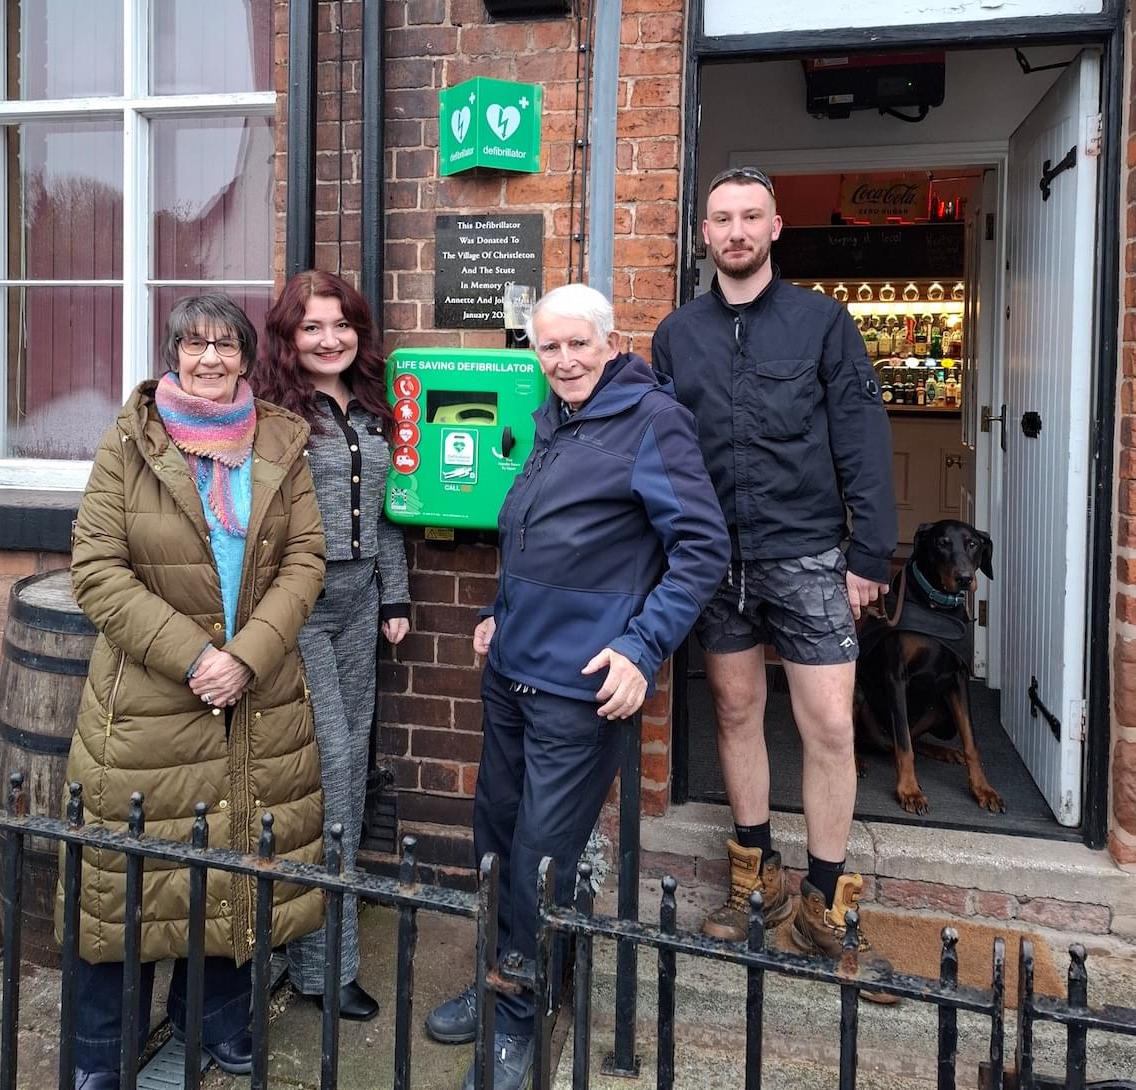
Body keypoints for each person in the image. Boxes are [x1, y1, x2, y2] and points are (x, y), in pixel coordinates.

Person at [424, 284, 728, 1090]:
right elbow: (535, 537)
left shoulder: (652, 420)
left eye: (577, 344)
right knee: (495, 839)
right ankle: (504, 978)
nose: (562, 360)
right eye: (548, 347)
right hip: (511, 673)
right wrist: (496, 611)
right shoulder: (555, 421)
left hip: (579, 687)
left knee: (540, 856)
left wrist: (641, 648)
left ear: (610, 343)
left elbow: (701, 548)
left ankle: (518, 1020)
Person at [59, 294, 328, 1090]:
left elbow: (304, 561)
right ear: (172, 353)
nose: (210, 358)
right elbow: (96, 570)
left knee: (233, 860)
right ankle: (99, 1055)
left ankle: (213, 1021)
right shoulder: (130, 441)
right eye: (193, 343)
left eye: (225, 344)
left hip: (256, 695)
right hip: (148, 701)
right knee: (124, 885)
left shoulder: (280, 439)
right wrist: (197, 657)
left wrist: (245, 657)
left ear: (247, 356)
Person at [651, 166, 898, 991]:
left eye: (750, 217)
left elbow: (862, 435)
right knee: (734, 709)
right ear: (705, 233)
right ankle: (755, 876)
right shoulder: (677, 335)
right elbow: (663, 447)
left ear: (776, 227)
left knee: (827, 723)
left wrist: (870, 555)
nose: (736, 231)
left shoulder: (823, 323)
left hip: (808, 556)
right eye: (722, 219)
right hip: (715, 559)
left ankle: (824, 903)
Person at [254, 270, 410, 1022]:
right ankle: (324, 967)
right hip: (298, 610)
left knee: (344, 773)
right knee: (336, 771)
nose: (329, 339)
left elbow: (386, 513)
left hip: (359, 605)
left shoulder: (373, 407)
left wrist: (395, 595)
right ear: (288, 336)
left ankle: (302, 943)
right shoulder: (271, 412)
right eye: (311, 327)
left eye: (341, 324)